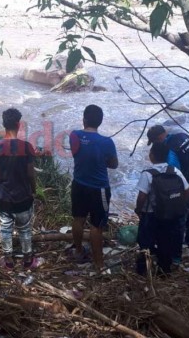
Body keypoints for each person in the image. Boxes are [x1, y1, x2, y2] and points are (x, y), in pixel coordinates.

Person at [0, 108, 40, 270]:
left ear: (4, 124)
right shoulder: (26, 147)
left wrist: (0, 189)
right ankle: (27, 260)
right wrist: (33, 190)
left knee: (5, 228)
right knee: (25, 229)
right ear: (18, 124)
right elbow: (30, 174)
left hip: (4, 197)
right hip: (23, 196)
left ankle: (9, 261)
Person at [69, 104, 118, 270]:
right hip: (99, 189)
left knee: (78, 219)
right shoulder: (107, 142)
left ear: (84, 120)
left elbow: (77, 153)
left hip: (78, 184)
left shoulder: (74, 135)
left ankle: (78, 251)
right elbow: (114, 164)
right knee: (96, 226)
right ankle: (99, 264)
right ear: (101, 122)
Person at [147, 125, 189, 251]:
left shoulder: (169, 151)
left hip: (188, 189)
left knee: (180, 220)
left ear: (159, 138)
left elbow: (174, 175)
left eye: (155, 142)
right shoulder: (182, 135)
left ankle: (175, 253)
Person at [135, 142, 189, 275]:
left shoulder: (148, 174)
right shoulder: (175, 171)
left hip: (150, 215)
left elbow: (142, 196)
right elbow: (187, 191)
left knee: (145, 242)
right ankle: (164, 269)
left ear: (151, 156)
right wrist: (178, 206)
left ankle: (143, 271)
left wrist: (138, 210)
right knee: (165, 241)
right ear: (167, 156)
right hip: (169, 215)